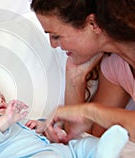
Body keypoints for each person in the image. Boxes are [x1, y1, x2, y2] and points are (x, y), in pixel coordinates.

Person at [30, 0, 135, 145]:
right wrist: (75, 77)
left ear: (93, 24)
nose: (53, 45)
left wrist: (89, 112)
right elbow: (90, 138)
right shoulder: (116, 65)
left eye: (56, 36)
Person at [0, 77, 128, 158]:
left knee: (82, 146)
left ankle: (101, 153)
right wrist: (6, 120)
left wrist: (44, 128)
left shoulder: (19, 123)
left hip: (58, 151)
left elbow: (40, 133)